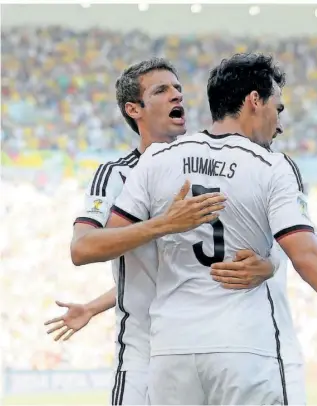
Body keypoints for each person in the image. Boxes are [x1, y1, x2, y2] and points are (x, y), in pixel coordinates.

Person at [106, 53, 317, 405]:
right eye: (278, 107)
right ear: (254, 101)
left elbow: (107, 242)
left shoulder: (158, 158)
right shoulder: (270, 166)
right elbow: (307, 255)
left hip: (171, 351)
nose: (279, 122)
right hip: (242, 348)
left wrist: (165, 227)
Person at [46, 57, 276, 406]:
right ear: (133, 109)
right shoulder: (116, 175)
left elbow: (170, 266)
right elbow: (83, 248)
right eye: (162, 90)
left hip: (203, 348)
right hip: (144, 355)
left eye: (179, 89)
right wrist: (164, 224)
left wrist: (266, 266)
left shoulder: (205, 168)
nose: (177, 96)